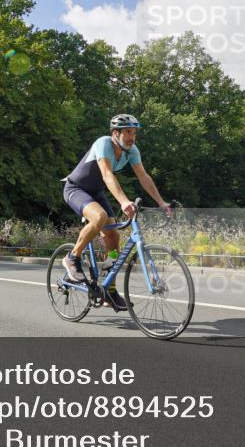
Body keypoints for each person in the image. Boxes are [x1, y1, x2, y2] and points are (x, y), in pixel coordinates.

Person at [61, 114, 171, 310]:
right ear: (115, 133)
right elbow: (106, 173)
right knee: (100, 217)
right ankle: (72, 256)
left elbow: (144, 177)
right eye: (128, 132)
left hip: (96, 192)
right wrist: (123, 201)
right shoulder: (103, 143)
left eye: (134, 133)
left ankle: (108, 291)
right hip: (76, 189)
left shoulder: (132, 151)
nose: (132, 137)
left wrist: (161, 202)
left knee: (113, 237)